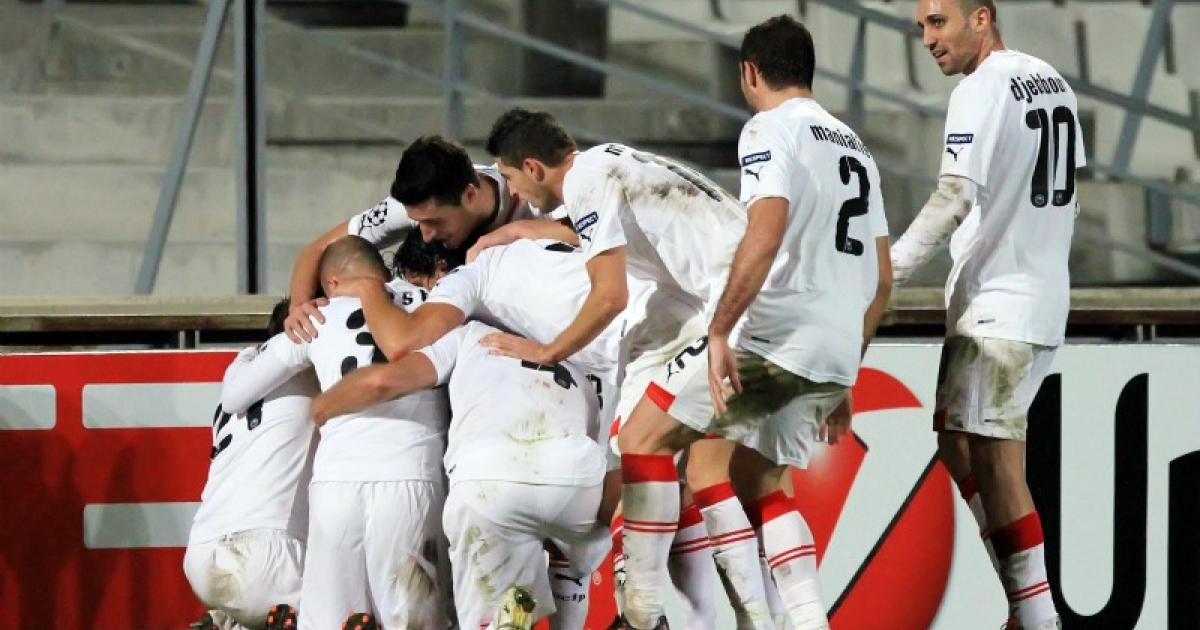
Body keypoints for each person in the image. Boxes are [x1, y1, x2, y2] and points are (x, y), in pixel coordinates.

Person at [581, 14, 891, 629]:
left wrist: (721, 330)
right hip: (832, 349)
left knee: (642, 438)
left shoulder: (768, 129)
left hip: (774, 333)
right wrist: (846, 369)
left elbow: (765, 231)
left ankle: (641, 615)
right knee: (762, 479)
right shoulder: (854, 145)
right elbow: (882, 277)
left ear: (750, 72)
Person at [481, 111, 791, 630]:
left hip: (743, 305)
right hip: (716, 299)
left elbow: (610, 295)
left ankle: (658, 613)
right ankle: (656, 610)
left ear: (532, 167)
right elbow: (605, 232)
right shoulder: (602, 163)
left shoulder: (586, 182)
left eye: (510, 178)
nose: (512, 191)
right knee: (655, 441)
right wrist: (523, 229)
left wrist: (549, 350)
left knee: (673, 455)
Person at [891, 2, 1084, 629]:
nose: (927, 38)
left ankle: (1037, 615)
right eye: (922, 25)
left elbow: (954, 195)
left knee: (999, 462)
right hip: (1036, 296)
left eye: (938, 22)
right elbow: (1067, 192)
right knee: (956, 442)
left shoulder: (980, 88)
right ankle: (1023, 596)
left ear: (981, 18)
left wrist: (888, 270)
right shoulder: (1050, 79)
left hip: (1001, 303)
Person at [310, 321, 611, 630]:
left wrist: (320, 407)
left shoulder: (469, 334)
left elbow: (383, 382)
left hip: (487, 483)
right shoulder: (573, 351)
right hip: (574, 478)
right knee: (574, 550)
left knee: (503, 613)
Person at [220, 236, 450, 630]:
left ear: (331, 283)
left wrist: (263, 348)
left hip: (337, 483)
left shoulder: (317, 316)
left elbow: (235, 396)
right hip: (411, 475)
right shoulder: (435, 303)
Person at [283, 135, 558, 343]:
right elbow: (318, 249)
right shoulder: (410, 206)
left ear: (470, 196)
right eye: (419, 222)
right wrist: (299, 307)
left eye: (434, 222)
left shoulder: (535, 202)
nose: (425, 235)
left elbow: (582, 236)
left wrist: (515, 231)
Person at [183, 298, 319, 630]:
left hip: (202, 551)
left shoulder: (241, 370)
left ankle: (229, 621)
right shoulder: (312, 366)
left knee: (259, 607)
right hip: (266, 552)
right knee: (358, 602)